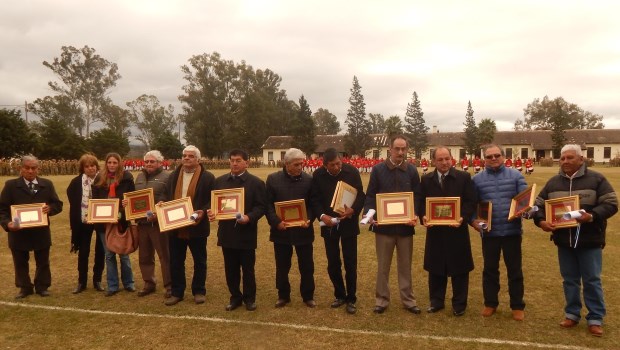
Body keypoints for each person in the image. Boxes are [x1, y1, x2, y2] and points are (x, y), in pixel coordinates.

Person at [533, 144, 618, 337]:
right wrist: (541, 221)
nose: (565, 162)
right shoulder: (553, 182)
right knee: (570, 280)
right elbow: (537, 205)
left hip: (590, 240)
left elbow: (611, 204)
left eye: (570, 158)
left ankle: (595, 318)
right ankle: (572, 314)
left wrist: (592, 216)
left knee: (592, 280)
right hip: (564, 241)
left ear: (581, 159)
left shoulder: (597, 179)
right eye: (562, 158)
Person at [364, 135, 421, 315]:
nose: (400, 152)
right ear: (390, 149)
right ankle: (381, 300)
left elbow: (417, 196)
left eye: (403, 149)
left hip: (405, 228)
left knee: (405, 265)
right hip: (383, 228)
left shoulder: (411, 171)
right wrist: (370, 213)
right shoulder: (378, 170)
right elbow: (371, 195)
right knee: (383, 266)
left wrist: (416, 214)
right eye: (397, 148)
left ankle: (408, 300)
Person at [470, 144, 527, 321]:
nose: (493, 159)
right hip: (490, 234)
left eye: (496, 155)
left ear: (503, 156)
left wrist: (525, 209)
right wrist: (475, 221)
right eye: (489, 157)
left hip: (512, 232)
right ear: (484, 159)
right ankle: (490, 303)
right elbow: (472, 205)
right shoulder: (476, 180)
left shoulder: (516, 175)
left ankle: (517, 306)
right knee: (490, 270)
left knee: (515, 270)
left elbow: (525, 200)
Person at [417, 147, 476, 316]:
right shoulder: (426, 179)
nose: (444, 162)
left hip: (457, 231)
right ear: (434, 161)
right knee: (436, 267)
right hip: (435, 231)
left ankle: (459, 304)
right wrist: (423, 216)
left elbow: (471, 201)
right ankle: (436, 301)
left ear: (452, 159)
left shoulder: (463, 177)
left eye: (447, 159)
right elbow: (421, 202)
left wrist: (462, 217)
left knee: (460, 268)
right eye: (440, 160)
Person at [208, 149, 266, 311]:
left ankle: (249, 299)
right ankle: (235, 297)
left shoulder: (256, 183)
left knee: (248, 269)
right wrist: (212, 213)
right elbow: (213, 205)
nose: (234, 163)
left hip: (246, 233)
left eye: (238, 160)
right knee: (230, 268)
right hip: (227, 233)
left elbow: (261, 207)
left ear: (246, 163)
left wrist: (249, 217)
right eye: (232, 160)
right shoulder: (219, 182)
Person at [310, 148, 365, 314]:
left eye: (339, 163)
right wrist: (321, 216)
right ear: (325, 164)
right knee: (333, 262)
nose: (337, 167)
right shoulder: (318, 175)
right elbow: (315, 199)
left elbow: (361, 195)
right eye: (333, 165)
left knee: (350, 261)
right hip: (329, 225)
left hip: (348, 223)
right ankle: (340, 294)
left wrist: (353, 210)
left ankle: (351, 298)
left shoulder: (351, 171)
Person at [0, 155, 63, 298]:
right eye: (27, 168)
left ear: (38, 169)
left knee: (43, 261)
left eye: (33, 168)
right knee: (20, 261)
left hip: (40, 231)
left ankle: (42, 286)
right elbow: (2, 209)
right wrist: (7, 224)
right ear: (21, 169)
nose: (30, 171)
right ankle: (24, 287)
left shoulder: (46, 184)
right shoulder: (11, 186)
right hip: (18, 232)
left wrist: (50, 209)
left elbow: (58, 204)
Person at [265, 148, 316, 309]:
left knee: (307, 266)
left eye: (302, 163)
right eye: (296, 164)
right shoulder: (273, 179)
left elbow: (313, 204)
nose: (301, 166)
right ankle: (283, 295)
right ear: (287, 164)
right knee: (282, 266)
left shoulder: (309, 180)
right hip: (281, 231)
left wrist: (308, 218)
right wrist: (275, 222)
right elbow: (267, 205)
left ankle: (308, 296)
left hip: (303, 230)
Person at [164, 145, 215, 306]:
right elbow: (166, 195)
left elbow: (212, 200)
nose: (186, 158)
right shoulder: (173, 175)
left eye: (190, 156)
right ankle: (177, 292)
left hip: (197, 227)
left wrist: (203, 211)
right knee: (176, 261)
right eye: (184, 155)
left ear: (198, 159)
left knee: (200, 261)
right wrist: (162, 203)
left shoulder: (208, 177)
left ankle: (199, 291)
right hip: (175, 227)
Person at [125, 150, 171, 298]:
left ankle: (169, 285)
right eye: (147, 161)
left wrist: (159, 209)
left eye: (152, 161)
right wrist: (127, 203)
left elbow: (169, 197)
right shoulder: (139, 176)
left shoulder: (167, 177)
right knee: (144, 256)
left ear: (159, 162)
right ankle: (149, 283)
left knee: (164, 255)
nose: (149, 164)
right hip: (142, 224)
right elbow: (133, 197)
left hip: (158, 224)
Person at [92, 152, 136, 296]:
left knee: (124, 253)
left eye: (114, 163)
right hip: (104, 223)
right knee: (109, 254)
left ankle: (129, 283)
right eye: (109, 162)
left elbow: (132, 197)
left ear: (119, 164)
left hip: (121, 221)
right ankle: (112, 285)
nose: (112, 165)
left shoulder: (127, 178)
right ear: (106, 163)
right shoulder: (99, 178)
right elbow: (95, 200)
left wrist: (126, 202)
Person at [67, 153, 104, 293]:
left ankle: (97, 280)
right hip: (83, 221)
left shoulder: (103, 179)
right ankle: (81, 282)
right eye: (87, 166)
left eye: (92, 165)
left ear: (96, 166)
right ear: (82, 168)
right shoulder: (76, 182)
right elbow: (72, 199)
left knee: (100, 251)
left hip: (100, 220)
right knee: (83, 252)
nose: (90, 168)